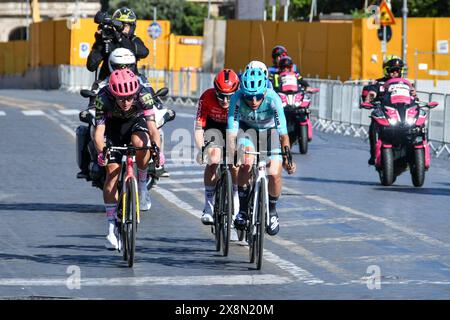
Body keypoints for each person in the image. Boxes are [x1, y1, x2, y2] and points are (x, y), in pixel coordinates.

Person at [93, 68, 163, 250]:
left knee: (142, 142)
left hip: (136, 123)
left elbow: (153, 129)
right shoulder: (103, 98)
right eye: (121, 98)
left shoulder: (144, 95)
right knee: (112, 173)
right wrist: (102, 153)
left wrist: (158, 151)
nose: (126, 102)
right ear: (113, 94)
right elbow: (99, 133)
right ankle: (111, 226)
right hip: (113, 129)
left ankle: (141, 185)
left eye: (130, 98)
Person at [227, 68, 297, 236]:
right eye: (249, 97)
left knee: (274, 173)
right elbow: (232, 132)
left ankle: (272, 211)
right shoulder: (237, 98)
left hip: (270, 132)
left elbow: (283, 134)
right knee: (245, 163)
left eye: (258, 96)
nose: (253, 101)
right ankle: (243, 210)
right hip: (247, 131)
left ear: (264, 91)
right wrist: (233, 153)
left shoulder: (274, 98)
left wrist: (287, 158)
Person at [194, 69, 240, 225]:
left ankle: (235, 193)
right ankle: (208, 206)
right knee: (213, 159)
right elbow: (199, 127)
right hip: (213, 128)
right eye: (221, 96)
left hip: (234, 128)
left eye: (229, 97)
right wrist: (201, 150)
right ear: (215, 91)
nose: (225, 101)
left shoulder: (241, 99)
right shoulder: (206, 97)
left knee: (235, 163)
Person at [363, 55, 415, 165]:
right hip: (386, 114)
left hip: (404, 113)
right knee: (374, 121)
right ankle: (373, 154)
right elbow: (372, 92)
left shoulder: (406, 84)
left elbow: (414, 98)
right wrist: (369, 98)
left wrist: (415, 97)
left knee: (420, 124)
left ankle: (417, 151)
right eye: (391, 70)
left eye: (397, 70)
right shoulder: (378, 83)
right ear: (386, 70)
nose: (394, 73)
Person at [87, 7, 149, 81]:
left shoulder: (134, 40)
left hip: (132, 83)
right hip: (108, 83)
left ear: (132, 27)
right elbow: (91, 66)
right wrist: (99, 43)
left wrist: (120, 39)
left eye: (127, 26)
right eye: (121, 25)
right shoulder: (107, 40)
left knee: (147, 88)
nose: (124, 28)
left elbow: (144, 52)